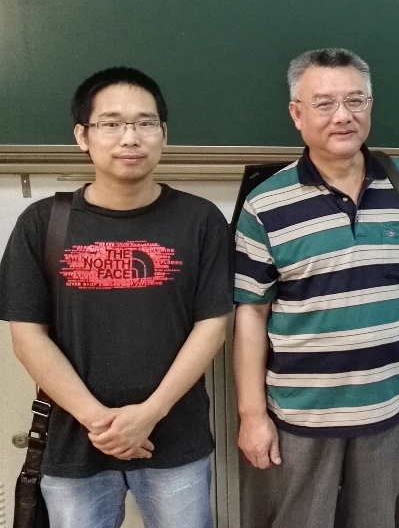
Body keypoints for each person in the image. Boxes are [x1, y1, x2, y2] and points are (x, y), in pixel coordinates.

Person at [0, 67, 230, 528]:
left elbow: (213, 324)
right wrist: (100, 422)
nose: (130, 137)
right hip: (76, 442)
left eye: (145, 123)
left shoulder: (201, 220)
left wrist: (149, 414)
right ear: (82, 136)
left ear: (164, 134)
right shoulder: (42, 223)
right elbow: (27, 336)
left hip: (175, 439)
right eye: (111, 123)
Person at [234, 48, 399, 528]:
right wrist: (252, 415)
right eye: (325, 103)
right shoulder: (265, 204)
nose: (343, 116)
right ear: (297, 114)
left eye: (356, 100)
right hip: (302, 414)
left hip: (388, 401)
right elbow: (251, 314)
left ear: (371, 105)